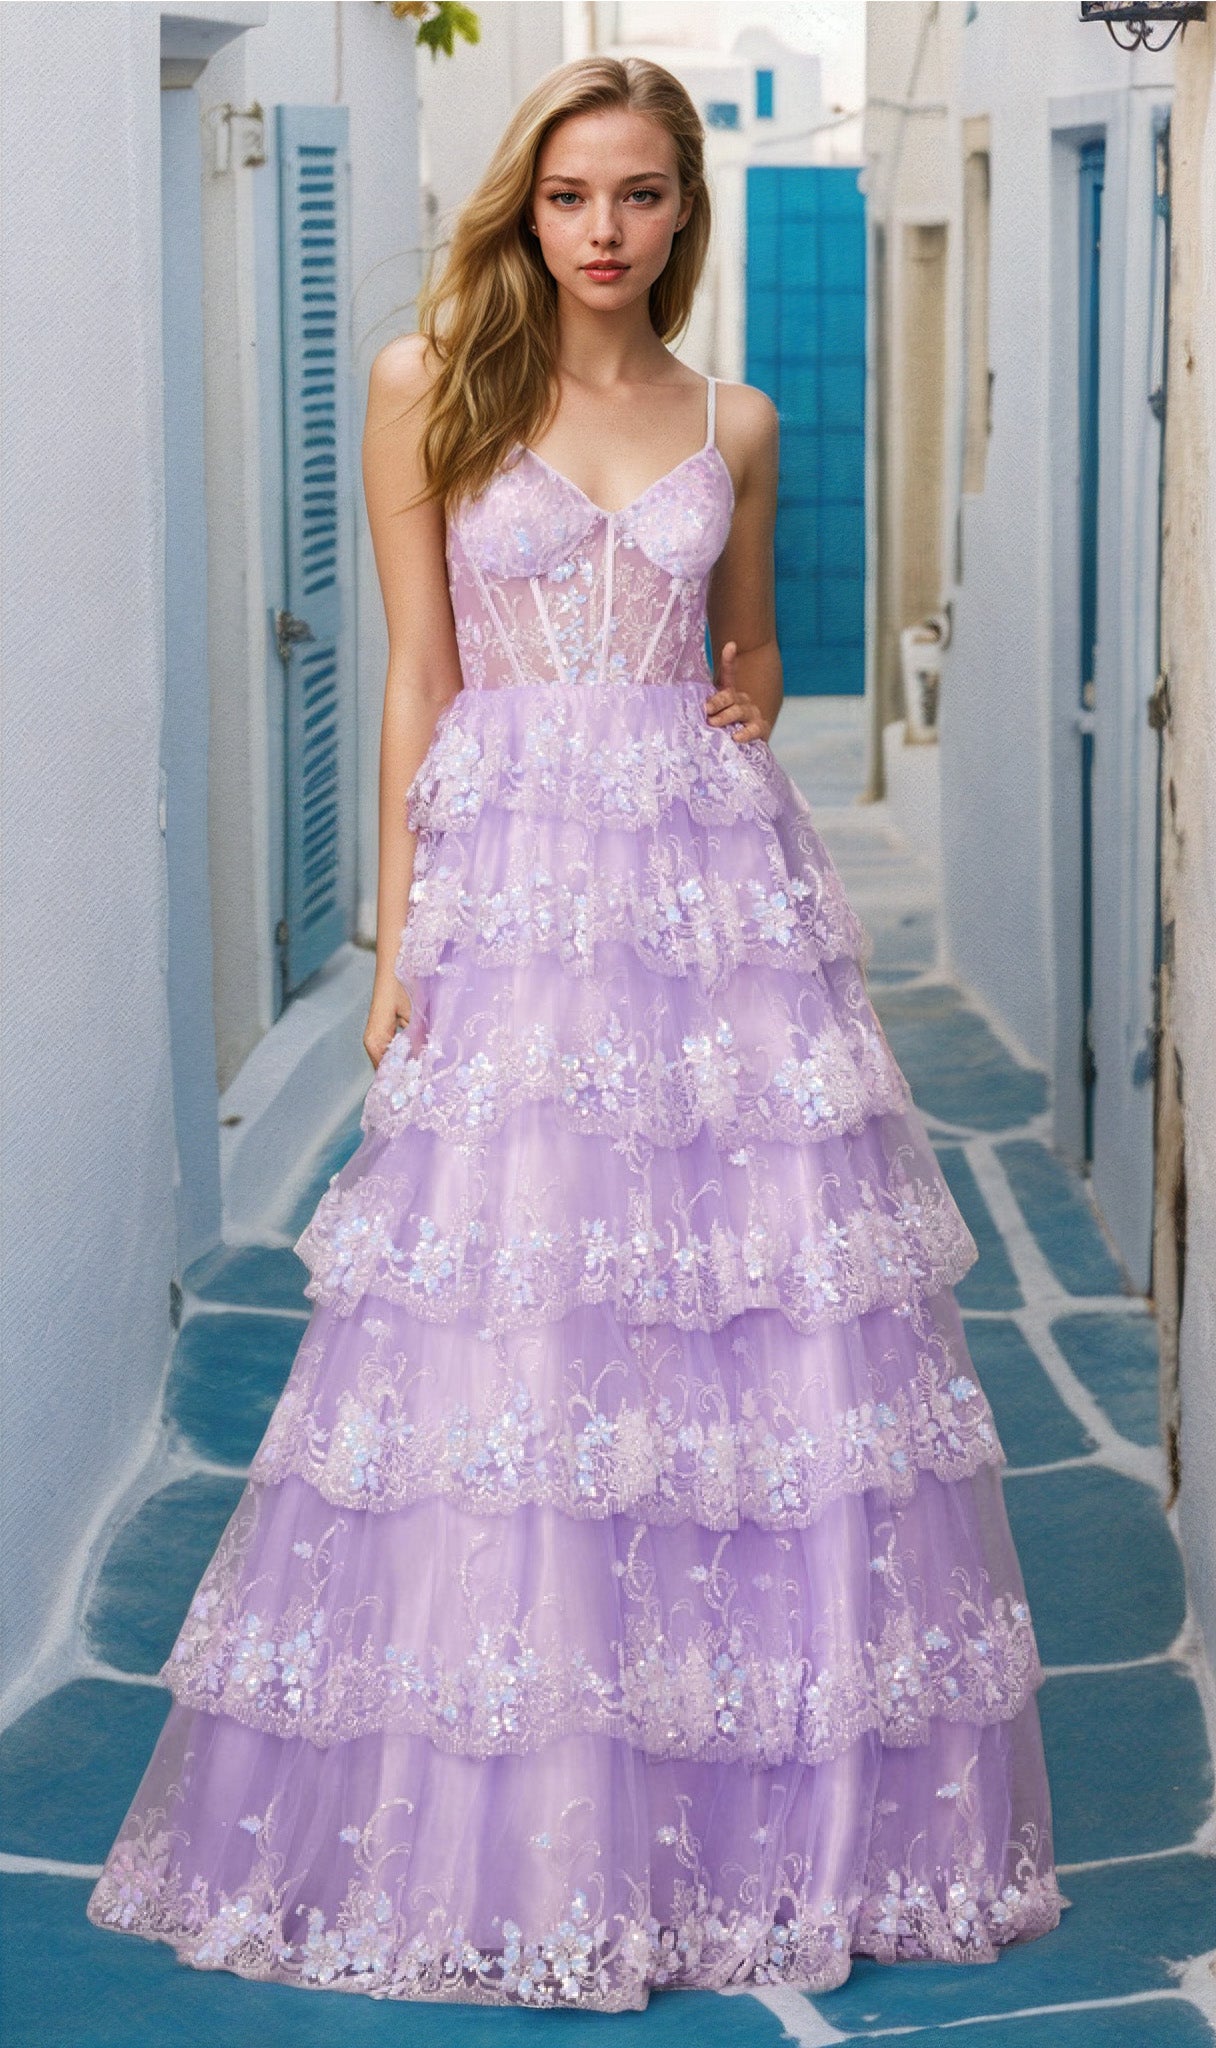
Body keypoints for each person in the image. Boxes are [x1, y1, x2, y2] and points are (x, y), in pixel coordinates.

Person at [86, 54, 1062, 2009]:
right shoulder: (422, 387)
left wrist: (735, 707)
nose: (600, 228)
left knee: (743, 1325)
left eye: (634, 195)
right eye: (565, 196)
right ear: (520, 211)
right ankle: (538, 1805)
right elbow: (416, 683)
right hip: (516, 906)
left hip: (711, 912)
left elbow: (752, 656)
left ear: (682, 211)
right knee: (522, 1322)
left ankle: (755, 1814)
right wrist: (394, 934)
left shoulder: (737, 415)